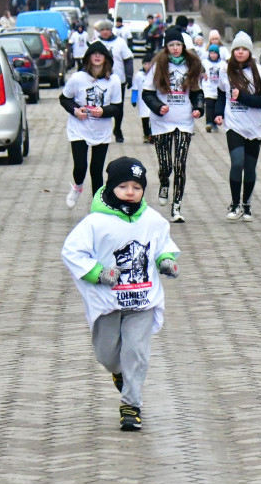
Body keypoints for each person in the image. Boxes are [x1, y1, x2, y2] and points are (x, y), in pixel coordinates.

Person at [61, 156, 180, 431]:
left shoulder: (152, 219)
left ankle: (131, 404)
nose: (130, 192)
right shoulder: (95, 222)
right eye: (124, 186)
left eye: (136, 187)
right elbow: (72, 251)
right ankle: (118, 372)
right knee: (107, 354)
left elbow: (163, 243)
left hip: (142, 299)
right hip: (107, 302)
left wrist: (165, 260)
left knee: (137, 352)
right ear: (111, 187)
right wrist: (98, 273)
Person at [141, 27, 205, 223]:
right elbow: (147, 93)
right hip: (162, 122)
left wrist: (198, 108)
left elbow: (197, 92)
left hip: (184, 121)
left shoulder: (192, 64)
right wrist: (158, 106)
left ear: (183, 46)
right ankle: (163, 183)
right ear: (166, 47)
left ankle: (176, 206)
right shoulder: (158, 66)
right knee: (165, 165)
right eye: (171, 45)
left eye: (178, 45)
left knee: (180, 164)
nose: (175, 48)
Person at [214, 31, 261, 221]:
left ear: (249, 52)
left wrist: (243, 97)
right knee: (237, 163)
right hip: (234, 125)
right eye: (236, 49)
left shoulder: (259, 72)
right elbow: (221, 93)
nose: (239, 52)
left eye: (243, 49)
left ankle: (247, 205)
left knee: (250, 167)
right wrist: (218, 113)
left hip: (254, 127)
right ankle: (234, 204)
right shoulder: (225, 70)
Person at [59, 41, 123, 209]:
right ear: (88, 58)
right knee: (80, 166)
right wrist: (75, 110)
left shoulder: (113, 81)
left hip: (101, 131)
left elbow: (117, 107)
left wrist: (103, 111)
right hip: (79, 128)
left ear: (106, 58)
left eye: (100, 54)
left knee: (96, 170)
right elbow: (64, 98)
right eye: (93, 54)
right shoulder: (78, 78)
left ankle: (98, 204)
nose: (97, 56)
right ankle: (77, 187)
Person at [95, 19, 134, 142]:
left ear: (111, 30)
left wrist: (129, 76)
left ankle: (117, 129)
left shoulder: (120, 42)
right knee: (100, 105)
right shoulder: (96, 43)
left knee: (118, 107)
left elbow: (128, 60)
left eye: (107, 29)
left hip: (118, 80)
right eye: (102, 30)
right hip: (100, 80)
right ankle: (101, 131)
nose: (105, 32)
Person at [201, 44, 226, 133]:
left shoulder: (222, 64)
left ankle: (215, 123)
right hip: (208, 88)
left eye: (215, 53)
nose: (213, 55)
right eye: (211, 53)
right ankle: (209, 123)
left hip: (218, 88)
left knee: (216, 106)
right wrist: (202, 74)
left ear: (218, 54)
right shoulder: (205, 62)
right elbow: (200, 71)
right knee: (209, 105)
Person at [131, 52, 154, 143]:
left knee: (153, 118)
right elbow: (135, 88)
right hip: (143, 101)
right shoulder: (139, 75)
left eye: (149, 63)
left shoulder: (155, 74)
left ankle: (152, 135)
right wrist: (134, 99)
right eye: (145, 64)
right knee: (145, 119)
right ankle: (146, 134)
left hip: (153, 100)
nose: (147, 66)